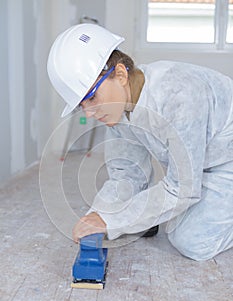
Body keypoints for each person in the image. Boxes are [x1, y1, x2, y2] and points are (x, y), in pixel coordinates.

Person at [47, 23, 233, 261]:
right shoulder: (118, 110)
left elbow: (183, 188)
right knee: (162, 218)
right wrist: (98, 215)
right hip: (204, 162)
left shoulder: (179, 95)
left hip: (227, 162)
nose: (89, 113)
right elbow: (126, 175)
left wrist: (114, 220)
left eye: (92, 97)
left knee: (191, 240)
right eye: (82, 105)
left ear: (121, 74)